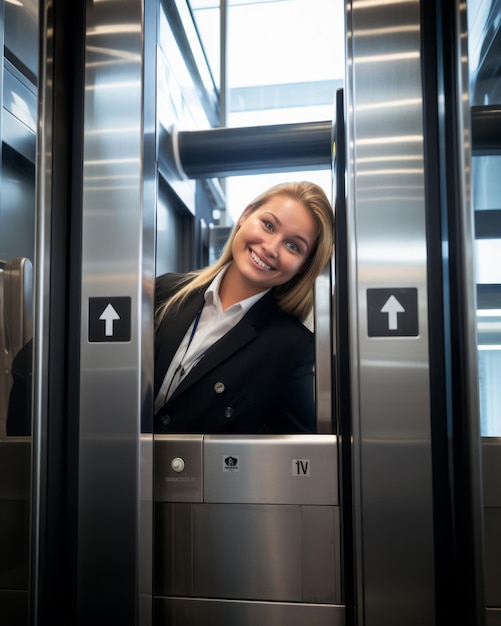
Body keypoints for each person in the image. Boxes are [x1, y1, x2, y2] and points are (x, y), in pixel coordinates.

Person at [154, 181, 334, 434]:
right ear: (245, 215)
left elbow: (298, 457)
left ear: (303, 266)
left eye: (293, 246)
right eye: (268, 225)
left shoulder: (293, 348)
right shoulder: (165, 291)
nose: (271, 248)